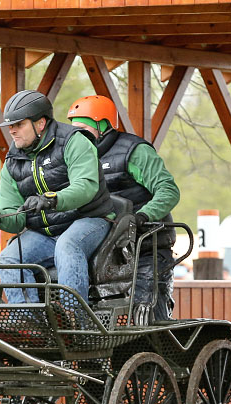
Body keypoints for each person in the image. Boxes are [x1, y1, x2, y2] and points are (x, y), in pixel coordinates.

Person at [0, 90, 114, 318]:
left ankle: (75, 320)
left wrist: (52, 199)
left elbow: (86, 187)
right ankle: (31, 323)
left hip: (89, 220)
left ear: (40, 123)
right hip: (45, 232)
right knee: (8, 258)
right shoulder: (12, 163)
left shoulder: (74, 141)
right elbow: (16, 220)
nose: (12, 130)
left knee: (67, 245)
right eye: (10, 125)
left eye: (19, 124)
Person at [64, 94, 181, 323]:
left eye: (83, 129)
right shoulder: (75, 157)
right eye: (73, 131)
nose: (77, 136)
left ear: (104, 125)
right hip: (109, 255)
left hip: (147, 247)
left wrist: (142, 216)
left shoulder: (134, 151)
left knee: (148, 320)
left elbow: (168, 190)